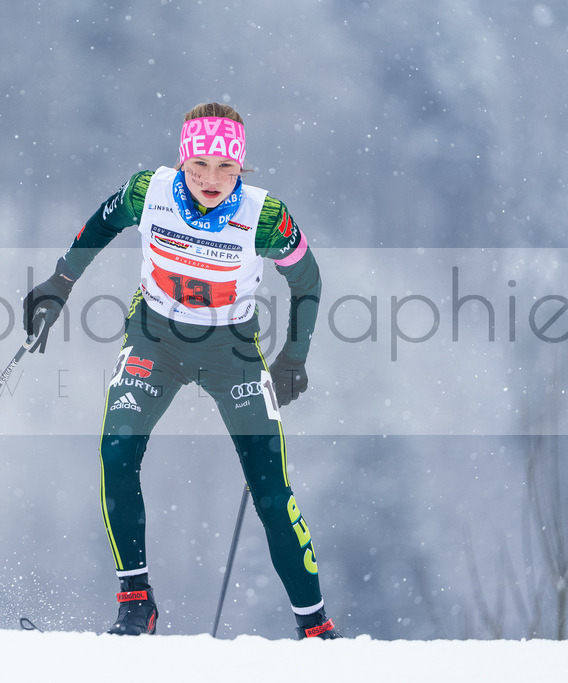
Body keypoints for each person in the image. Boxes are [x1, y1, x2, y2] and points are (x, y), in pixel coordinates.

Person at [22, 102, 339, 639]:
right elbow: (100, 225)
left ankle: (316, 626)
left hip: (231, 349)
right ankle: (136, 603)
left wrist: (294, 356)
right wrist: (60, 282)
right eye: (199, 166)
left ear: (242, 167)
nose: (211, 179)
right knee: (116, 453)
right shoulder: (149, 193)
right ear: (182, 161)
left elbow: (307, 282)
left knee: (270, 488)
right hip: (155, 337)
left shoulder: (264, 217)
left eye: (226, 167)